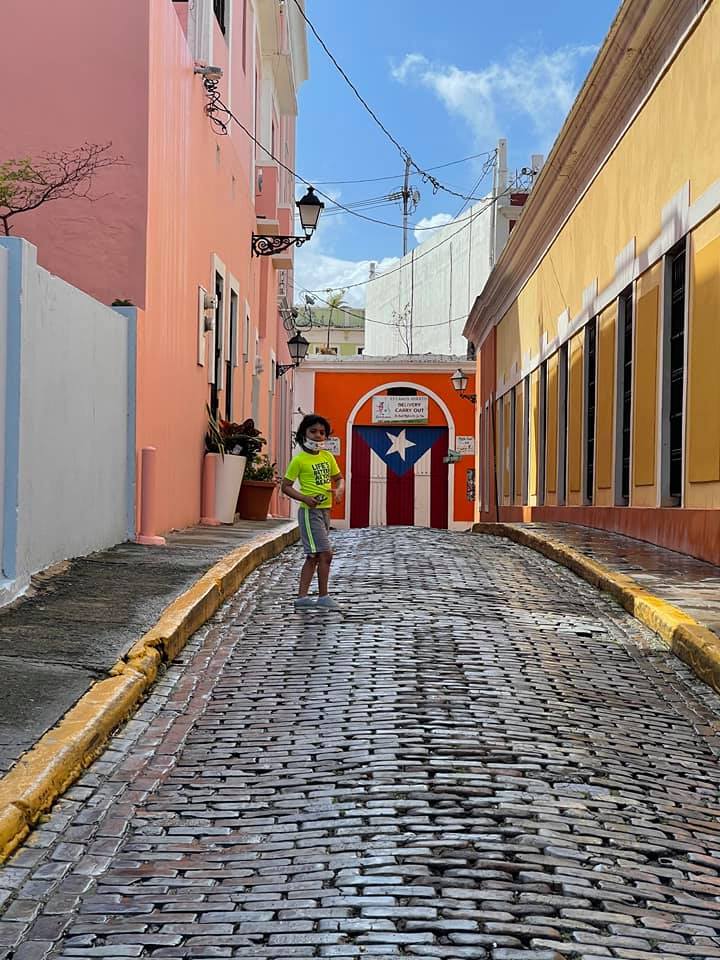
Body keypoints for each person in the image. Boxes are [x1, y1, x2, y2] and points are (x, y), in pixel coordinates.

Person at [281, 414, 345, 611]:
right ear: (303, 434)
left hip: (325, 511)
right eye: (313, 431)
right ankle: (323, 595)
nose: (318, 436)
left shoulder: (327, 457)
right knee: (325, 553)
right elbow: (286, 486)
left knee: (314, 556)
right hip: (310, 512)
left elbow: (338, 478)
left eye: (322, 432)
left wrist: (340, 489)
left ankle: (303, 597)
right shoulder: (299, 460)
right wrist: (304, 498)